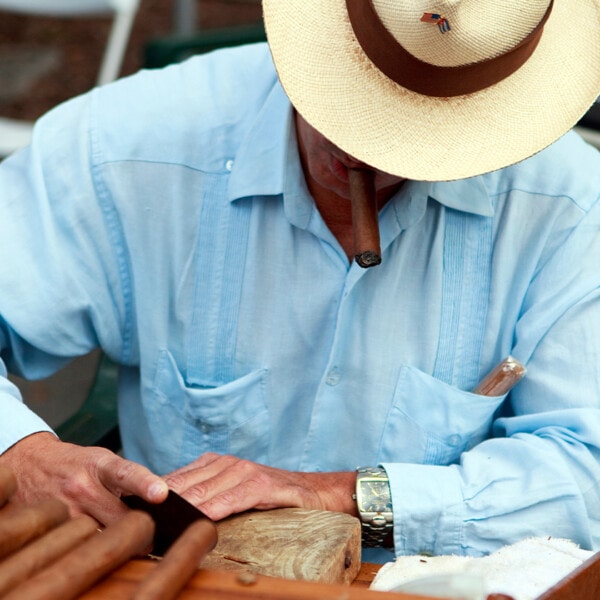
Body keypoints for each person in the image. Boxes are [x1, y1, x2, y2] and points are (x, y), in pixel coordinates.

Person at [1, 0, 600, 564]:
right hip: (174, 578)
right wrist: (22, 454)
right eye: (352, 99)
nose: (360, 149)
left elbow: (586, 477)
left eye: (409, 131)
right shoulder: (130, 144)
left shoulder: (570, 206)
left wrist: (347, 497)